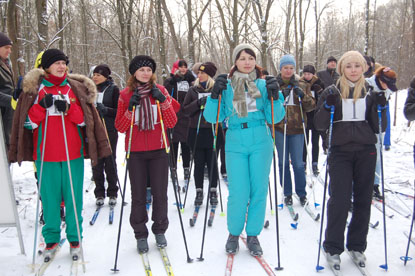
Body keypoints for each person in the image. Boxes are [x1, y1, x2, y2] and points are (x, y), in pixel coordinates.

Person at [8, 48, 111, 260]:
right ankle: (52, 239)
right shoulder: (35, 90)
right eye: (56, 63)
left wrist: (69, 109)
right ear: (46, 67)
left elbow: (85, 121)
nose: (61, 66)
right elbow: (27, 124)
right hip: (45, 155)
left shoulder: (74, 88)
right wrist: (41, 108)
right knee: (50, 199)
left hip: (72, 153)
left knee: (73, 200)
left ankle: (75, 238)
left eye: (63, 62)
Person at [203, 44, 285, 256]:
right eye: (242, 58)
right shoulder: (228, 86)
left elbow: (275, 117)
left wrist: (277, 96)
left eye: (250, 57)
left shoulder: (264, 84)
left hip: (261, 139)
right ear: (235, 62)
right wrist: (214, 95)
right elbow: (213, 118)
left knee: (259, 189)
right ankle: (233, 233)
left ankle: (253, 235)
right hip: (236, 139)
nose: (247, 62)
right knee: (239, 191)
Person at [314, 51, 386, 268]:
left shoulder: (371, 91)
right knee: (340, 200)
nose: (353, 70)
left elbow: (378, 126)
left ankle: (356, 245)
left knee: (363, 200)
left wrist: (381, 107)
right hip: (341, 151)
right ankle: (333, 247)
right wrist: (327, 106)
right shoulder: (332, 90)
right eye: (349, 66)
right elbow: (319, 124)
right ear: (342, 69)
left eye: (357, 65)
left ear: (364, 67)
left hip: (366, 150)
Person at [115, 55, 179, 254]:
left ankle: (160, 229)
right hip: (135, 152)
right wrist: (130, 109)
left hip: (159, 149)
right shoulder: (125, 95)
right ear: (134, 73)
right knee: (138, 195)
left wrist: (163, 102)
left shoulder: (160, 91)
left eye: (149, 70)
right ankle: (140, 233)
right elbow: (120, 126)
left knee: (160, 193)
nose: (145, 73)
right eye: (142, 70)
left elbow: (171, 122)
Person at [275, 55, 315, 206]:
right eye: (285, 68)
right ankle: (287, 192)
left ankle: (301, 192)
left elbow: (311, 105)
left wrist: (302, 95)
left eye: (291, 68)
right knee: (283, 162)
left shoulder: (302, 84)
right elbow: (268, 105)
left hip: (298, 129)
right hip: (280, 128)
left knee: (298, 163)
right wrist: (279, 97)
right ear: (280, 69)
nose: (288, 71)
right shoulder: (275, 85)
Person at [182, 62, 223, 206]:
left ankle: (213, 190)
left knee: (212, 162)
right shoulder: (193, 90)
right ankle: (199, 190)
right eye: (198, 73)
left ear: (210, 75)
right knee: (198, 163)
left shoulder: (216, 90)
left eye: (203, 73)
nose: (199, 75)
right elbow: (185, 110)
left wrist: (212, 102)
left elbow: (222, 109)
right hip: (196, 131)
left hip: (213, 131)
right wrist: (198, 103)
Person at [366, 66, 398, 200]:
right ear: (380, 79)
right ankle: (361, 184)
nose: (388, 87)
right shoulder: (367, 84)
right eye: (387, 84)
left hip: (378, 125)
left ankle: (375, 185)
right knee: (365, 157)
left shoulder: (387, 89)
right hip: (365, 125)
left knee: (378, 156)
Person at [91, 64, 120, 206]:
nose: (95, 77)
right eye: (94, 74)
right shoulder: (90, 89)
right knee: (96, 162)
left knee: (109, 160)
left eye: (98, 75)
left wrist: (106, 110)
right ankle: (99, 193)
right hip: (94, 130)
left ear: (106, 76)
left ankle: (113, 192)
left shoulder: (113, 89)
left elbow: (118, 111)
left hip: (109, 130)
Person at [163, 59, 195, 183]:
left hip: (187, 115)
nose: (183, 69)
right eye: (180, 67)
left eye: (185, 67)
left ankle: (186, 168)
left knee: (186, 144)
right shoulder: (170, 81)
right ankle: (173, 169)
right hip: (174, 115)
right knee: (174, 144)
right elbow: (166, 97)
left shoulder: (190, 80)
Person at [300, 64, 324, 176]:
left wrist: (320, 92)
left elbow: (324, 99)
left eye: (309, 74)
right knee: (305, 141)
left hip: (316, 116)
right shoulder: (301, 83)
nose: (306, 76)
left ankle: (315, 163)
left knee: (315, 142)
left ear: (313, 74)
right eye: (305, 74)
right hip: (305, 116)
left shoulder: (318, 83)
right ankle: (303, 162)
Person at [317, 56, 339, 153]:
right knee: (322, 126)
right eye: (331, 62)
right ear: (327, 64)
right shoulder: (321, 74)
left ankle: (327, 145)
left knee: (332, 126)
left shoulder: (338, 75)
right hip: (323, 101)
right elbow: (315, 84)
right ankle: (324, 143)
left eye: (334, 62)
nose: (333, 63)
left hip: (335, 103)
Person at [0, 32, 14, 152]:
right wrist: (12, 100)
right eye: (6, 48)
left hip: (7, 117)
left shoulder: (7, 63)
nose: (9, 51)